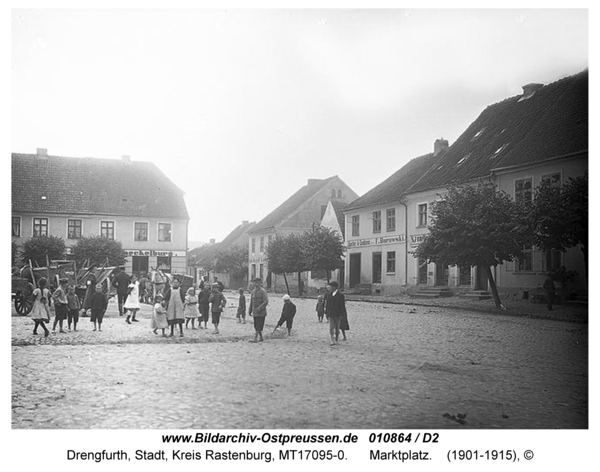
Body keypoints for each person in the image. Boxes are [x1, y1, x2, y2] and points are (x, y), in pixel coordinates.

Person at [324, 281, 347, 346]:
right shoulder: (328, 294)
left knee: (337, 328)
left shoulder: (340, 295)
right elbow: (327, 304)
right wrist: (327, 313)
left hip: (338, 314)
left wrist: (341, 314)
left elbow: (342, 306)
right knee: (331, 327)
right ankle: (332, 339)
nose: (329, 288)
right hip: (331, 313)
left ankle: (336, 338)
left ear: (334, 287)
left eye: (330, 286)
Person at [248, 277, 268, 343]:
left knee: (259, 324)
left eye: (258, 283)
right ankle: (261, 337)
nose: (257, 284)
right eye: (255, 283)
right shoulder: (253, 292)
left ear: (260, 283)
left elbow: (266, 301)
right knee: (256, 324)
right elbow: (251, 302)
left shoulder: (263, 291)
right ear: (254, 283)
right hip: (255, 312)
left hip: (261, 312)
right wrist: (250, 310)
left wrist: (260, 307)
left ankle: (255, 338)